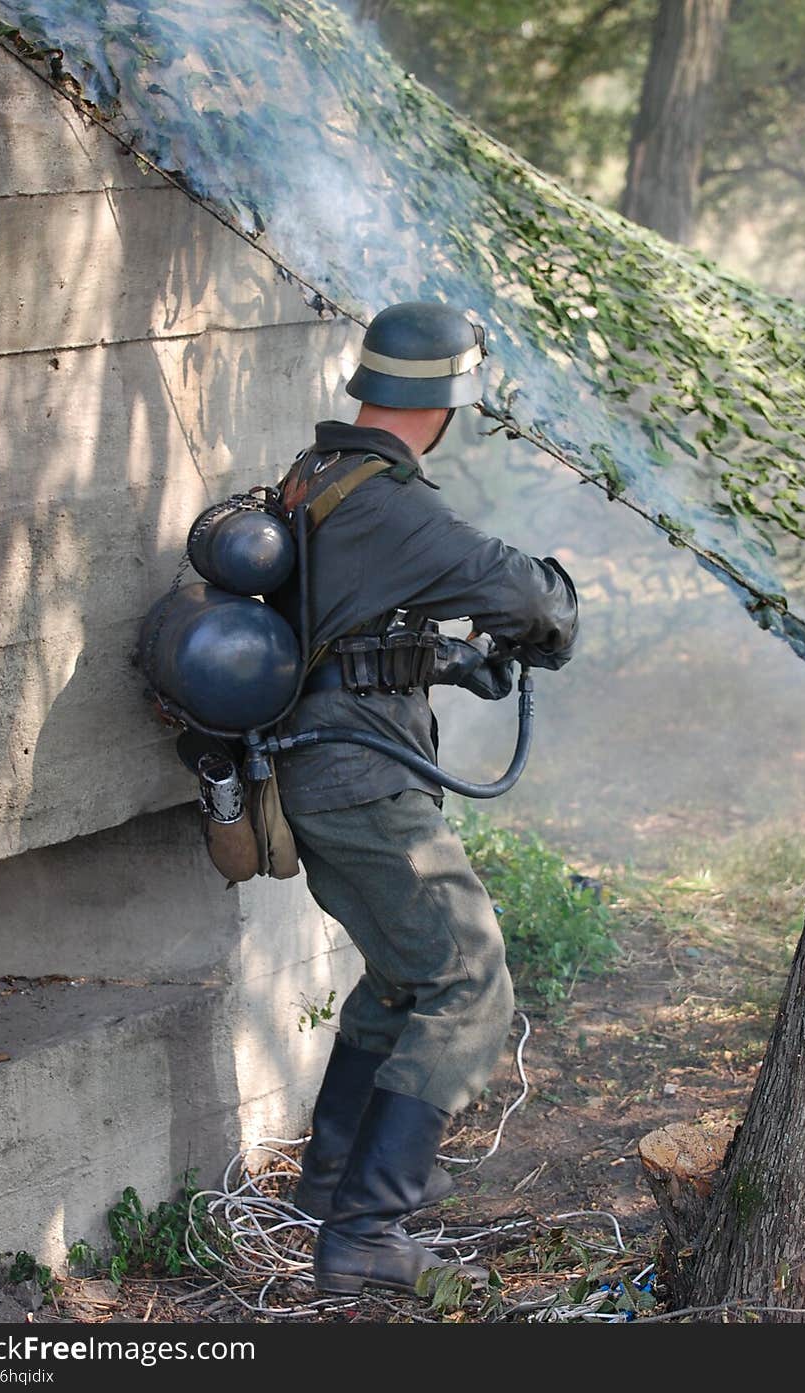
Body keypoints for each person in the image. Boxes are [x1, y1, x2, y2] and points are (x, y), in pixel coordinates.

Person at [269, 301, 579, 1297]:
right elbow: (532, 601)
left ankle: (329, 1184)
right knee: (467, 980)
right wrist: (546, 619)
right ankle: (366, 1232)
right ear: (444, 401)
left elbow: (343, 631)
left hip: (335, 763)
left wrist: (442, 659)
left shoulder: (323, 474)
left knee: (406, 977)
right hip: (361, 784)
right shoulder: (386, 503)